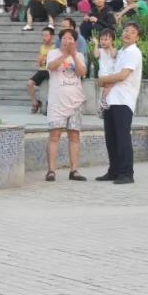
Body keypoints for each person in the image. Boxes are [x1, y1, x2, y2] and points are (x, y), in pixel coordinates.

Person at [96, 22, 143, 184]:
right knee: (111, 138)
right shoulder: (121, 52)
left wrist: (102, 80)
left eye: (132, 32)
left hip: (124, 101)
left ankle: (126, 173)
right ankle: (114, 171)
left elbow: (122, 75)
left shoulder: (133, 52)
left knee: (122, 138)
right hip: (112, 100)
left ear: (138, 37)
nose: (127, 33)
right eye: (125, 31)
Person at [44, 28, 88, 183]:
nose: (67, 40)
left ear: (74, 42)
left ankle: (74, 170)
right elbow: (51, 66)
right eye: (64, 38)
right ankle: (51, 171)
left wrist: (74, 55)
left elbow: (82, 72)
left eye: (70, 38)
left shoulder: (79, 56)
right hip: (57, 102)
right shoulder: (53, 53)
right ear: (60, 40)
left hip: (75, 102)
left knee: (74, 135)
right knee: (54, 135)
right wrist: (65, 55)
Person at [26, 26, 57, 114]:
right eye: (43, 36)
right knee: (29, 83)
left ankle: (50, 104)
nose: (44, 38)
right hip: (42, 70)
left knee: (53, 85)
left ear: (51, 36)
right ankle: (35, 103)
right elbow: (39, 61)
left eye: (46, 36)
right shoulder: (42, 47)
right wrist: (40, 61)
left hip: (50, 70)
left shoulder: (55, 47)